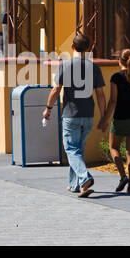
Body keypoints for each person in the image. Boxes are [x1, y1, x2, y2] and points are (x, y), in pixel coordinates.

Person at [43, 32, 106, 197]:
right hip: (88, 115)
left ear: (72, 47)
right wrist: (104, 115)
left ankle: (85, 178)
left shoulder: (65, 65)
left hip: (71, 114)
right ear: (89, 48)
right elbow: (100, 94)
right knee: (78, 151)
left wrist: (48, 108)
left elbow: (56, 90)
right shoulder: (94, 67)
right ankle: (75, 185)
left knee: (71, 149)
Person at [98, 48, 130, 194]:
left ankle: (123, 176)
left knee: (113, 148)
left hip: (120, 118)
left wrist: (105, 120)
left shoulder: (116, 78)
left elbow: (113, 101)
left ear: (120, 61)